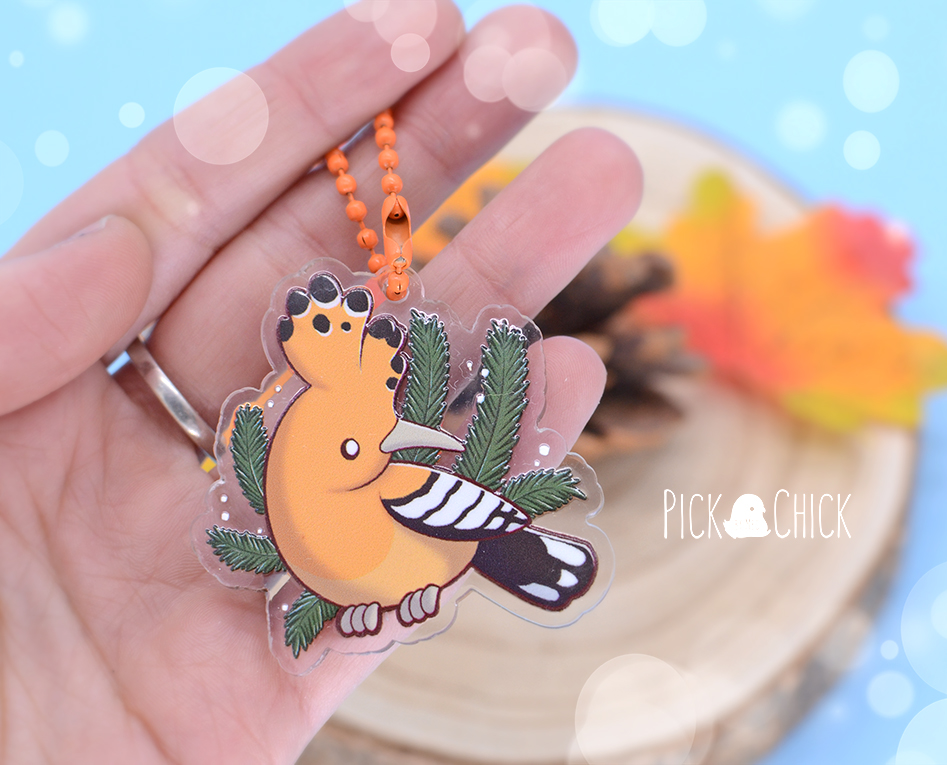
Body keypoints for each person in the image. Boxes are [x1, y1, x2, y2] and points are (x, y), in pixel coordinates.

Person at [0, 2, 641, 760]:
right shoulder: (311, 460)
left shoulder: (368, 476)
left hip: (441, 547)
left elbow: (431, 504)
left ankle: (526, 563)